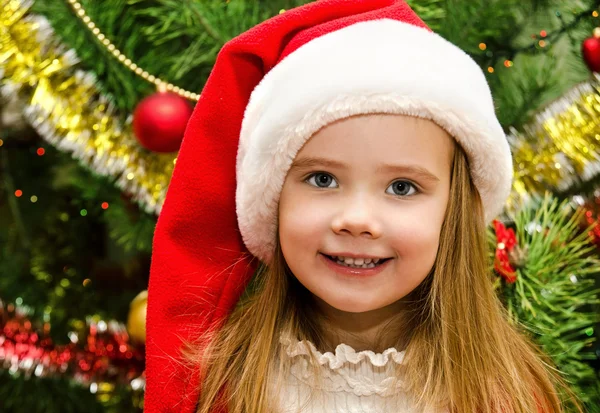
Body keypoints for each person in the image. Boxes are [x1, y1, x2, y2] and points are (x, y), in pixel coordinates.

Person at [145, 1, 581, 412]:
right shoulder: (223, 381)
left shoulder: (504, 392)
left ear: (453, 212)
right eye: (322, 179)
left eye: (402, 187)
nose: (357, 220)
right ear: (274, 199)